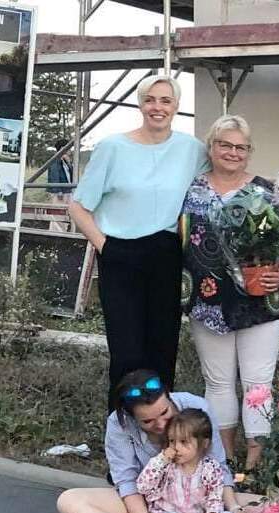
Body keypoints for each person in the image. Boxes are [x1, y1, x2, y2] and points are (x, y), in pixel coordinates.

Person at [69, 75, 205, 405]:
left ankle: (162, 432)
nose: (157, 107)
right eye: (151, 100)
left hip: (167, 253)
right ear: (140, 104)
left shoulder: (192, 149)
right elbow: (78, 206)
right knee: (127, 349)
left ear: (176, 107)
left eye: (165, 101)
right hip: (121, 253)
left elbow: (216, 184)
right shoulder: (113, 147)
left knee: (162, 346)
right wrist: (106, 246)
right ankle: (122, 427)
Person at [181, 114, 279, 474]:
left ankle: (255, 463)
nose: (232, 152)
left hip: (258, 300)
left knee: (257, 383)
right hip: (207, 300)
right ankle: (224, 459)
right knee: (217, 382)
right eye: (225, 145)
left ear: (249, 152)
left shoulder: (266, 192)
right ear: (211, 148)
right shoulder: (190, 190)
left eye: (240, 147)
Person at [55, 369, 249, 513]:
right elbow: (128, 484)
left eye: (165, 412)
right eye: (147, 422)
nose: (161, 424)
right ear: (131, 418)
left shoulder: (196, 407)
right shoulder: (118, 423)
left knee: (265, 507)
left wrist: (233, 508)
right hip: (151, 504)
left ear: (169, 396)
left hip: (200, 500)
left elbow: (219, 467)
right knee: (69, 502)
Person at [136, 408, 245, 513]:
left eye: (183, 442)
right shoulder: (165, 465)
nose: (176, 448)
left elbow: (215, 494)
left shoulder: (210, 467)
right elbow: (143, 486)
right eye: (172, 441)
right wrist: (160, 461)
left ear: (204, 444)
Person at [46, 140, 73, 232]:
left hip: (67, 190)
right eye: (68, 147)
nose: (70, 150)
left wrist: (69, 163)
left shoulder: (65, 160)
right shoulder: (55, 159)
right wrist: (58, 191)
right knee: (58, 214)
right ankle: (56, 233)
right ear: (62, 148)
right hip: (60, 191)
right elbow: (54, 175)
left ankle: (63, 231)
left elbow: (71, 176)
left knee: (66, 213)